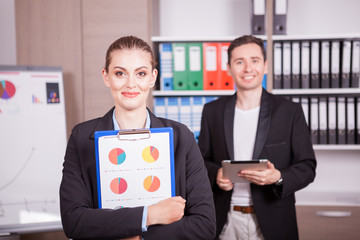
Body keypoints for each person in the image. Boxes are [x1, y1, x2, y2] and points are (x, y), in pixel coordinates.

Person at [60, 36, 216, 240]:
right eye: (120, 73)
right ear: (106, 77)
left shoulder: (181, 137)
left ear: (153, 77)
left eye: (140, 73)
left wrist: (137, 237)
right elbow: (75, 221)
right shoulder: (81, 137)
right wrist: (149, 215)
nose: (131, 84)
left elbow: (204, 225)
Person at [198, 35, 317, 240]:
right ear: (228, 68)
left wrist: (278, 176)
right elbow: (200, 162)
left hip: (275, 221)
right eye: (239, 62)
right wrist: (216, 175)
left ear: (265, 66)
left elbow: (307, 166)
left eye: (254, 60)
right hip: (226, 220)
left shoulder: (290, 111)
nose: (247, 68)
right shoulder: (212, 111)